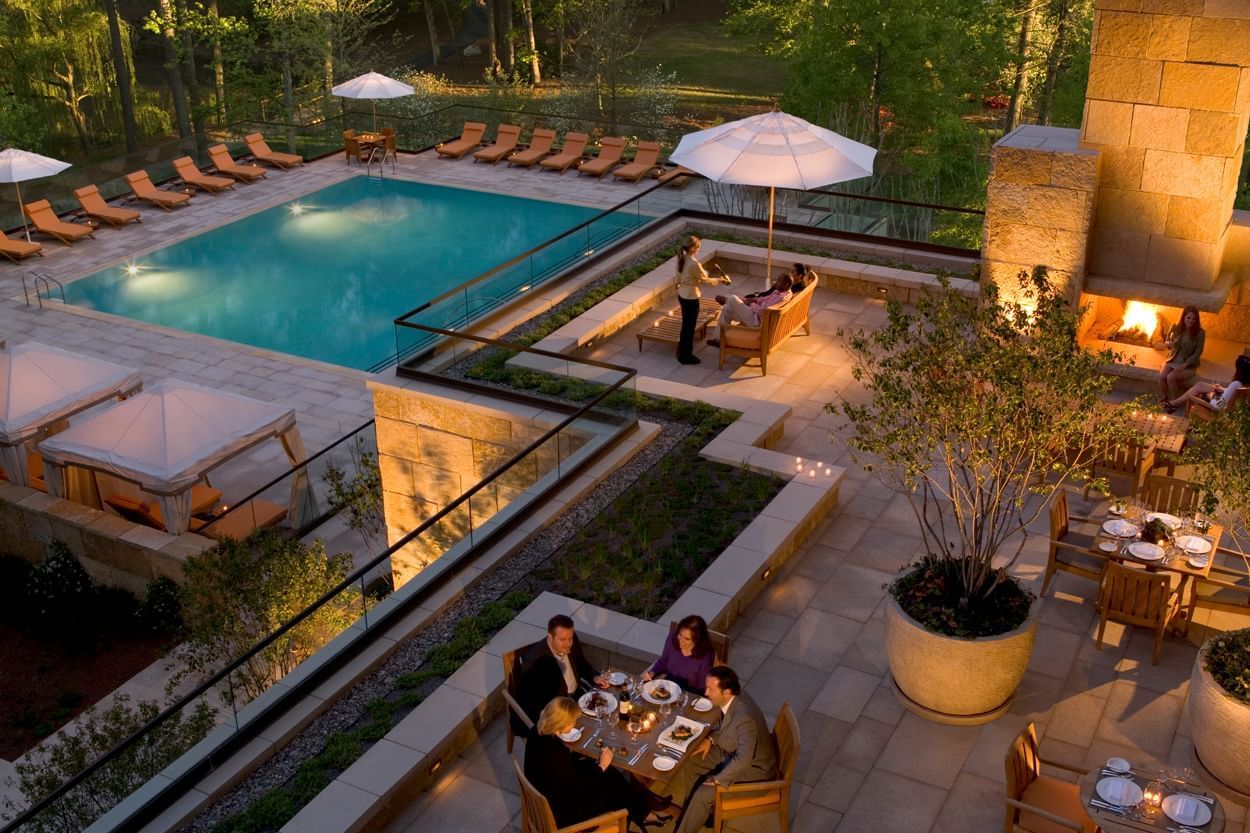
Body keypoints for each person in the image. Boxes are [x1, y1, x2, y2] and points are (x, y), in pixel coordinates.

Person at [525, 697, 671, 829]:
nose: (575, 724)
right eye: (573, 721)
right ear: (561, 723)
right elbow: (578, 784)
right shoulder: (554, 752)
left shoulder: (536, 732)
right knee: (615, 790)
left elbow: (567, 772)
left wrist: (599, 765)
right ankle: (640, 815)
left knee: (610, 774)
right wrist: (601, 766)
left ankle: (643, 813)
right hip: (566, 813)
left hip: (553, 792)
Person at [671, 667, 778, 833]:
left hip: (754, 771)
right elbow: (729, 730)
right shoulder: (733, 700)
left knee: (703, 793)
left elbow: (744, 760)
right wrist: (711, 740)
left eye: (711, 689)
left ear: (726, 691)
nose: (706, 692)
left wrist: (718, 779)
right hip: (732, 752)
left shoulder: (745, 717)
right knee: (690, 760)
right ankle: (698, 813)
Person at [518, 614, 602, 727]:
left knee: (605, 714)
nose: (568, 644)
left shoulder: (571, 639)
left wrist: (594, 676)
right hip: (555, 710)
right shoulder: (534, 660)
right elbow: (534, 703)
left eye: (570, 638)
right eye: (562, 639)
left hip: (578, 696)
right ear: (550, 637)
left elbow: (582, 663)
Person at [674, 235, 730, 365]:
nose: (699, 249)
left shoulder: (680, 259)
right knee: (689, 327)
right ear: (693, 248)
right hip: (691, 297)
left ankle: (682, 353)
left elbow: (679, 278)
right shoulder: (694, 264)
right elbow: (705, 280)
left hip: (682, 294)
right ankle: (686, 356)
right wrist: (720, 280)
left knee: (685, 326)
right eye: (698, 247)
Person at [707, 274, 793, 347]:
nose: (775, 282)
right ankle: (719, 340)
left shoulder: (780, 297)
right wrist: (753, 300)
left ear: (786, 284)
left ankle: (727, 300)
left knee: (733, 298)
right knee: (726, 309)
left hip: (756, 322)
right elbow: (765, 299)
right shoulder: (783, 293)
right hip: (757, 316)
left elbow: (761, 311)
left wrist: (750, 304)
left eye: (779, 281)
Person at [641, 615, 715, 694]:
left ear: (697, 640)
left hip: (688, 693)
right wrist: (652, 672)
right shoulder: (672, 639)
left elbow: (701, 689)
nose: (681, 641)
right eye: (680, 635)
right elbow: (663, 662)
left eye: (687, 639)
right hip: (667, 688)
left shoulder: (705, 656)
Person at [1165, 354, 1250, 415]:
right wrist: (1222, 389)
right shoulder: (1243, 384)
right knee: (1200, 385)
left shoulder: (1235, 384)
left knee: (1200, 393)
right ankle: (1175, 403)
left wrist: (1211, 396)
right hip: (1225, 401)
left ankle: (1175, 404)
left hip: (1216, 409)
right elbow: (1231, 393)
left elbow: (1218, 405)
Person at [1160, 305, 1205, 404]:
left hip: (1188, 364)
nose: (1191, 321)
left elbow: (1198, 352)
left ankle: (1175, 401)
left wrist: (1185, 364)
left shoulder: (1200, 333)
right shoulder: (1175, 327)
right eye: (1188, 317)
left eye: (1194, 318)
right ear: (1183, 317)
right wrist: (1168, 344)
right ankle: (1164, 397)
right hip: (1172, 359)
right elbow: (1168, 340)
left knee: (1170, 377)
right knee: (1162, 375)